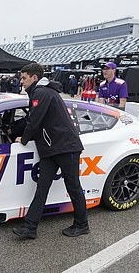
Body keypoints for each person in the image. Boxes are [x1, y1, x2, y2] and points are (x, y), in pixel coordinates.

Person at [12, 63, 88, 240]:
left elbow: (34, 121)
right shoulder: (41, 92)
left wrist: (23, 139)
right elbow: (32, 120)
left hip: (65, 147)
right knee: (42, 187)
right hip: (50, 148)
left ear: (34, 78)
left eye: (24, 78)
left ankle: (82, 225)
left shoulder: (41, 92)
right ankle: (30, 227)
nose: (21, 81)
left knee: (74, 188)